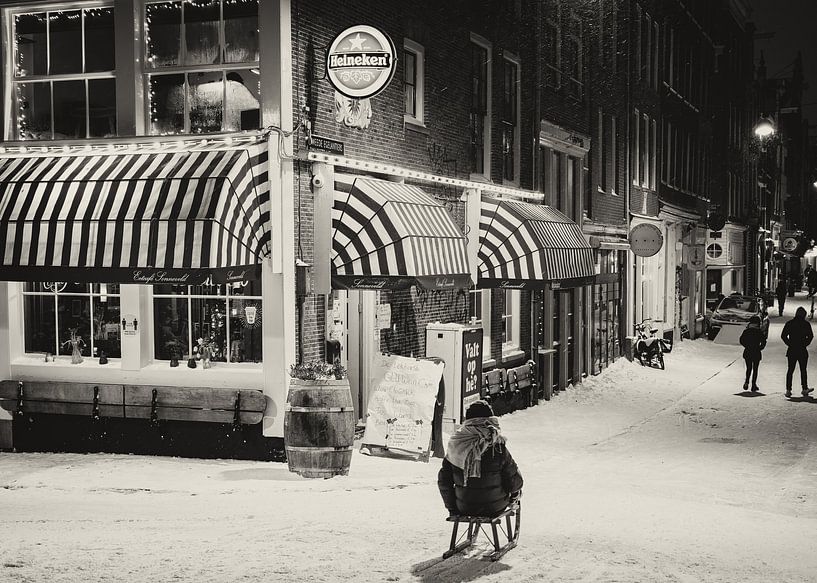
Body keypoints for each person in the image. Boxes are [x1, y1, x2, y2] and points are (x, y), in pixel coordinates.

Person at [438, 400, 523, 518]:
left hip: (464, 507)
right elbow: (514, 481)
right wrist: (515, 494)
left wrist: (452, 508)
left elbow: (444, 482)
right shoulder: (496, 444)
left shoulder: (456, 444)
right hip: (494, 507)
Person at [781, 306, 815, 398]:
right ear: (803, 315)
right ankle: (804, 388)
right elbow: (811, 336)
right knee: (803, 370)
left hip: (792, 349)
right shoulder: (806, 324)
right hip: (802, 350)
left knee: (790, 370)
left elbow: (783, 335)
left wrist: (789, 344)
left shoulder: (790, 323)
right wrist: (805, 344)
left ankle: (788, 389)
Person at [739, 315, 766, 392]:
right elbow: (763, 341)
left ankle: (746, 382)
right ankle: (753, 385)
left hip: (748, 351)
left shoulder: (746, 331)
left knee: (748, 368)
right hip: (756, 352)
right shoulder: (759, 332)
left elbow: (741, 340)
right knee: (755, 369)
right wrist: (760, 348)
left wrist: (747, 346)